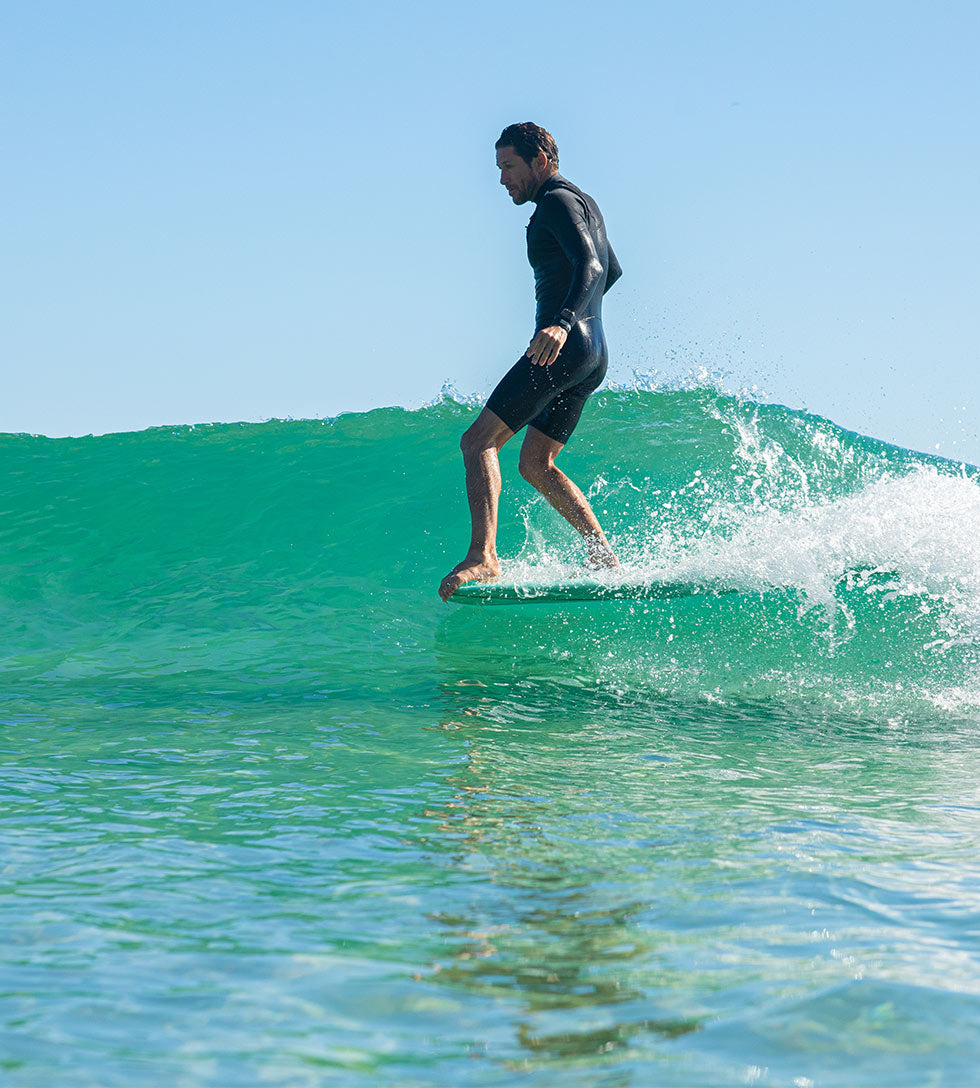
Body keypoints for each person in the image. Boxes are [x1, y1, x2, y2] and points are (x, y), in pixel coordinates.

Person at [438, 122, 622, 602]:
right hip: (592, 350)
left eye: (509, 167)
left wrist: (561, 322)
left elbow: (596, 267)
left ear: (540, 160)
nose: (502, 179)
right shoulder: (582, 202)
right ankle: (602, 553)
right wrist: (581, 324)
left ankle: (484, 556)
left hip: (565, 344)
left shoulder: (557, 201)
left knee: (478, 441)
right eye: (499, 168)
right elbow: (614, 269)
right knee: (536, 464)